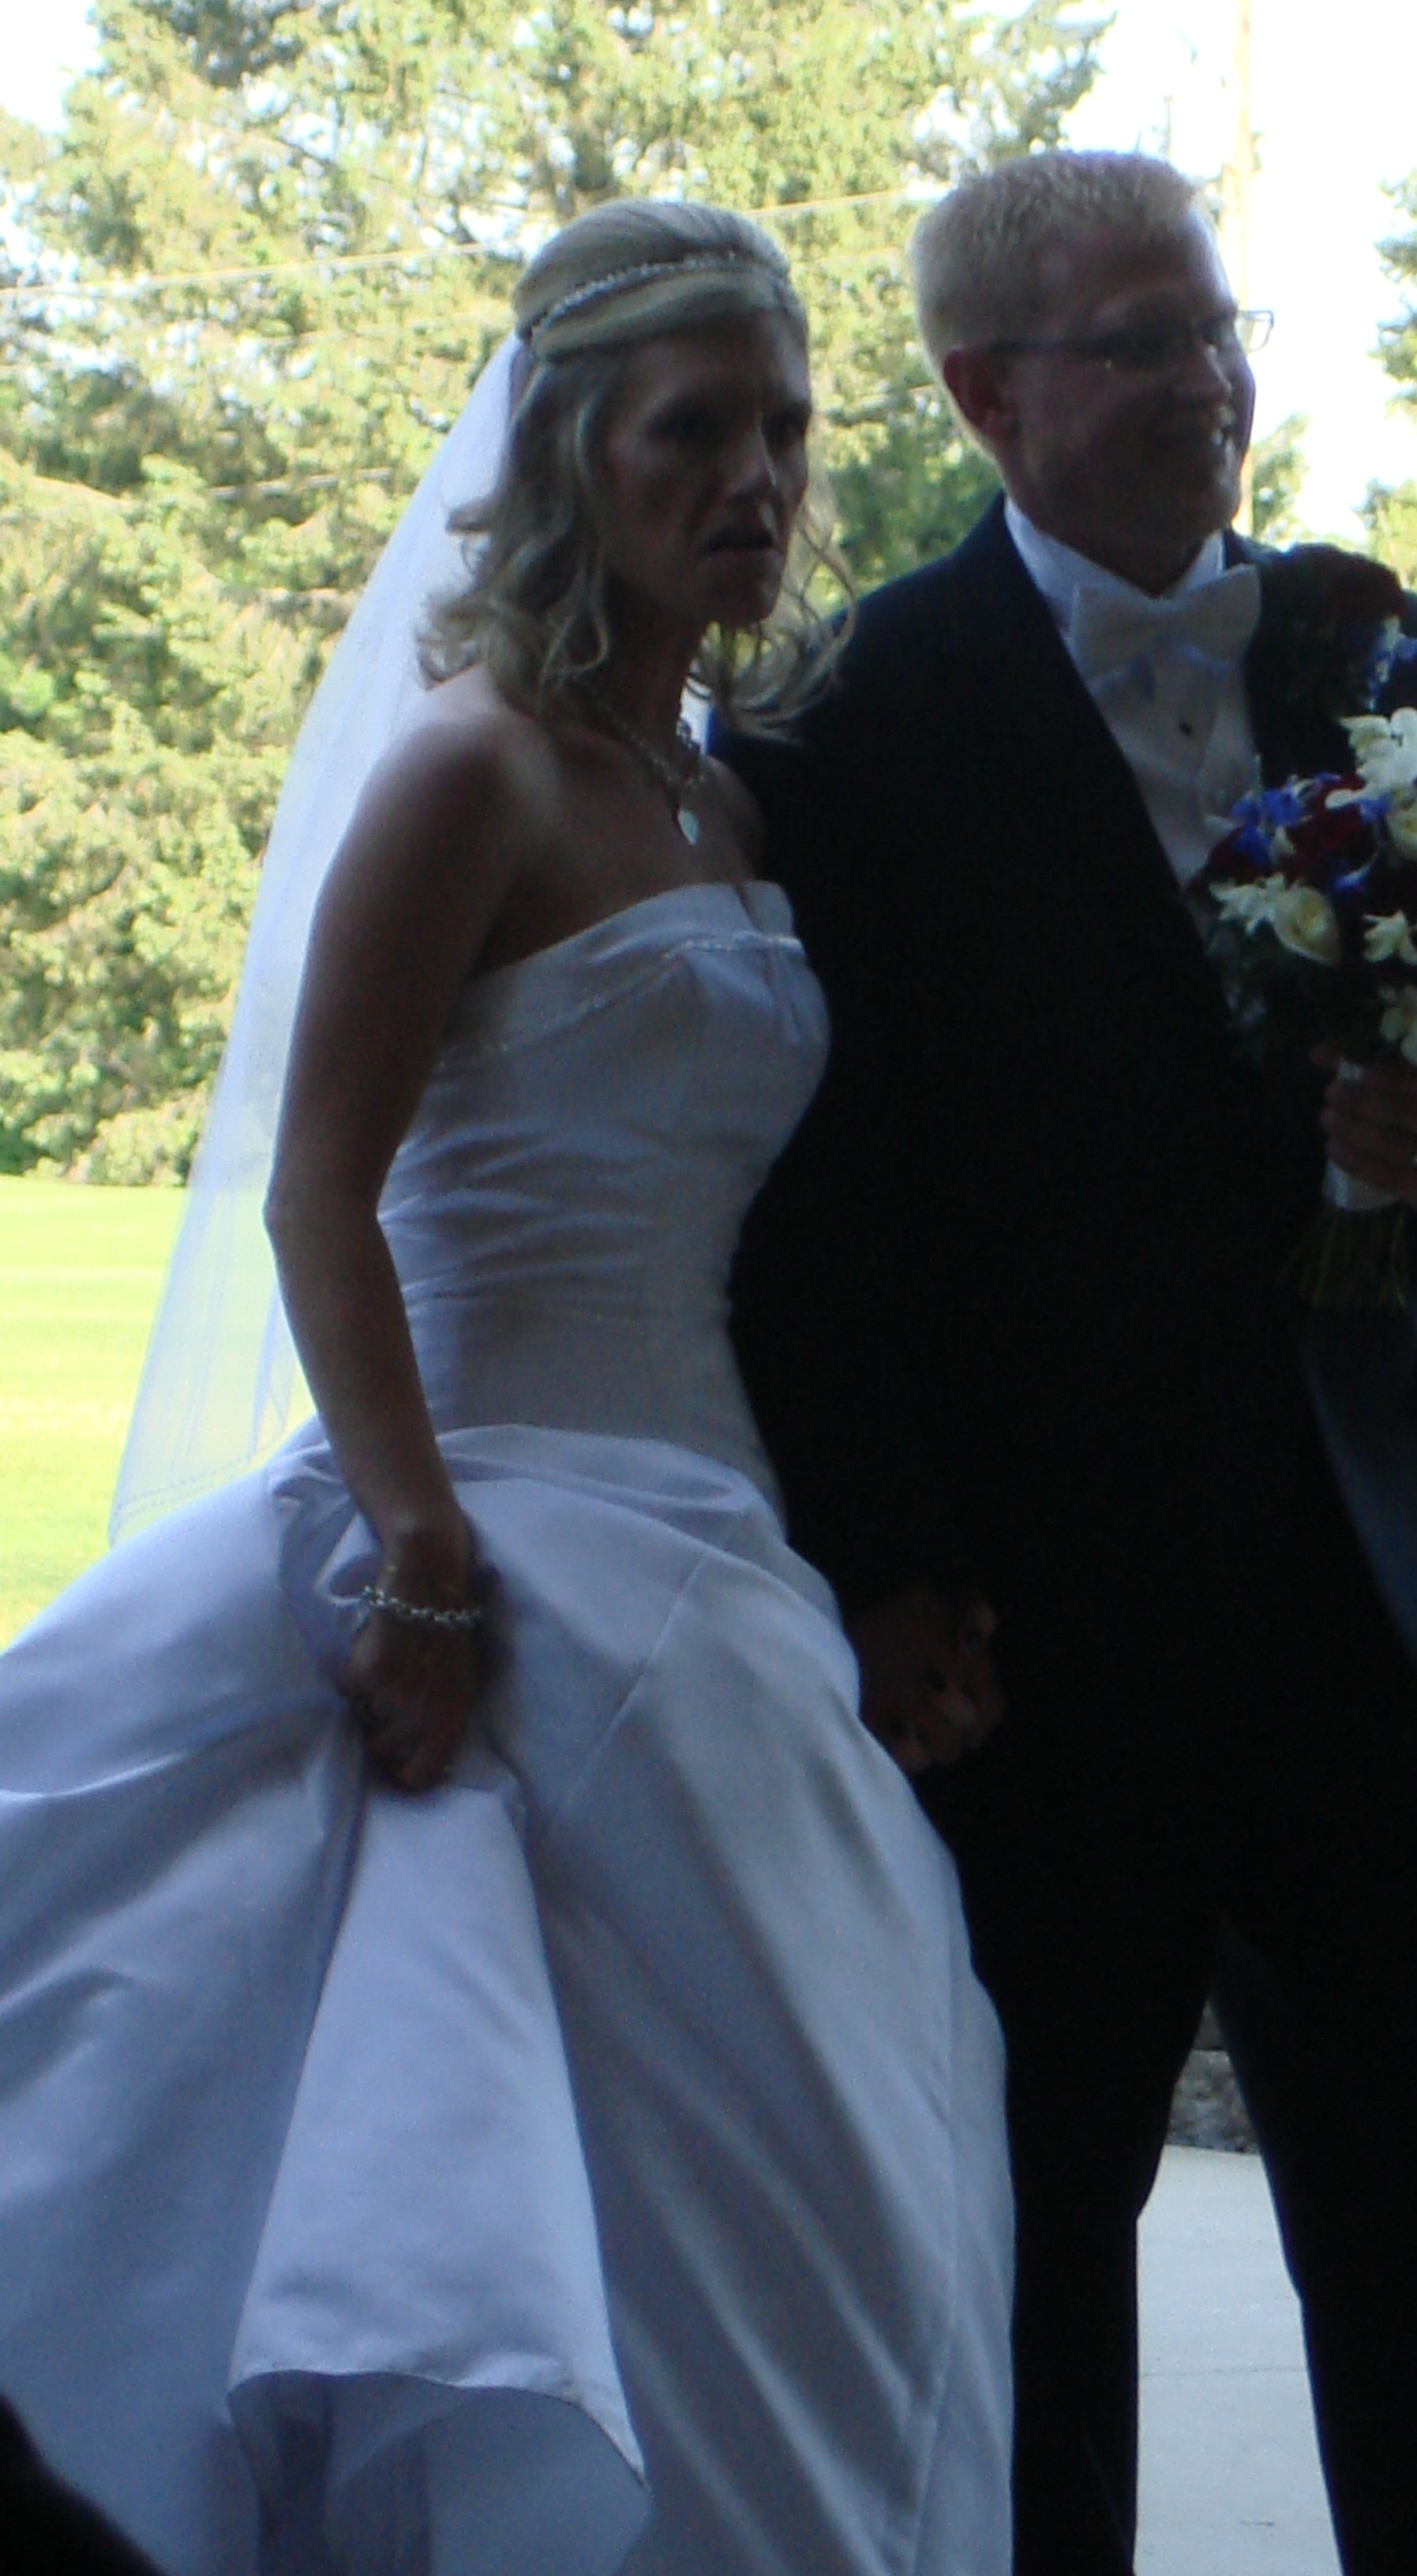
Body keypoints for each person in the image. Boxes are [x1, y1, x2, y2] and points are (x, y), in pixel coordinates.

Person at [0, 199, 1012, 2576]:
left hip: (721, 1559)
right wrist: (425, 1551)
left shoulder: (727, 797)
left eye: (785, 430)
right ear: (571, 456)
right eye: (694, 431)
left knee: (823, 2193)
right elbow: (315, 1195)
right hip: (484, 1527)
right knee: (473, 2196)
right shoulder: (473, 773)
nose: (756, 479)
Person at [722, 150, 1417, 2576]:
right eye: (1142, 341)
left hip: (1374, 1617)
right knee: (1024, 2290)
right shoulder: (854, 716)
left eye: (1220, 327)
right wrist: (890, 1565)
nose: (1209, 382)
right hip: (1039, 1649)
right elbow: (820, 1203)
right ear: (984, 394)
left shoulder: (1394, 660)